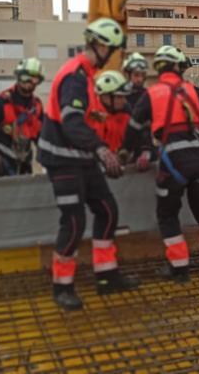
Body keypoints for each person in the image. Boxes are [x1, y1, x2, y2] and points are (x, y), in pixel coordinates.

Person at [38, 17, 140, 310]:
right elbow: (71, 123)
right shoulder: (75, 77)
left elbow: (92, 122)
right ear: (102, 46)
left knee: (107, 210)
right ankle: (62, 287)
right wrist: (102, 151)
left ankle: (107, 277)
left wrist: (110, 149)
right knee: (73, 221)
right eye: (113, 50)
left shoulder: (88, 76)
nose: (113, 57)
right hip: (62, 159)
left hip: (81, 157)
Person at [124, 45, 199, 283]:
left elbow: (134, 129)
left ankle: (179, 265)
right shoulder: (195, 92)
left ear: (158, 68)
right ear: (179, 67)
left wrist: (130, 151)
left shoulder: (151, 94)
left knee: (167, 214)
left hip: (174, 160)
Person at [0, 58, 44, 177]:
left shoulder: (36, 106)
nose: (29, 82)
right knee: (7, 193)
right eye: (25, 77)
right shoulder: (0, 103)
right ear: (18, 77)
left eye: (34, 79)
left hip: (24, 162)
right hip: (3, 162)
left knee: (28, 193)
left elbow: (41, 135)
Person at [93, 70, 153, 170]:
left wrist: (145, 153)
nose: (124, 101)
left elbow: (142, 137)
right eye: (119, 97)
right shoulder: (92, 118)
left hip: (126, 173)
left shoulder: (127, 114)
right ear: (105, 96)